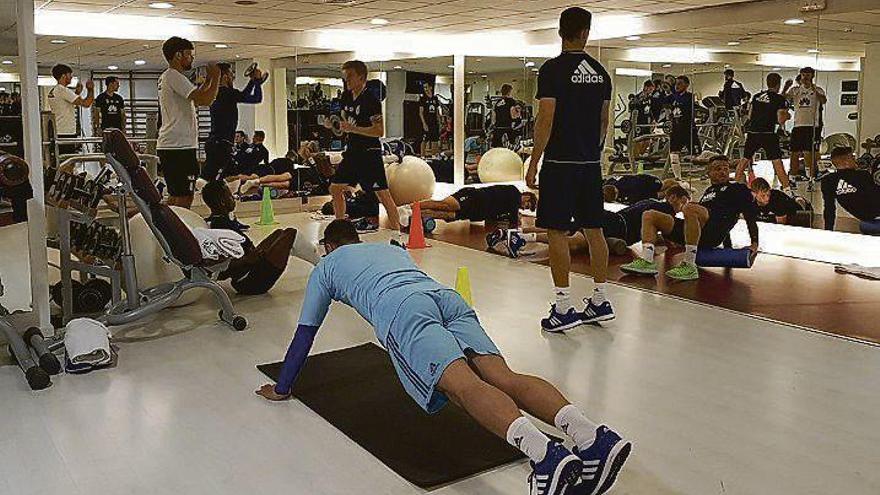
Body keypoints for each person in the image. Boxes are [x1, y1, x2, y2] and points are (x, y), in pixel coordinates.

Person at [255, 219, 632, 495]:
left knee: (464, 389)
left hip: (403, 310)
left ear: (329, 247)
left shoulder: (328, 268)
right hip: (444, 297)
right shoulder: (387, 247)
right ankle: (591, 438)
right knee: (504, 377)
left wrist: (284, 387)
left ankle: (545, 457)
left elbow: (305, 334)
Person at [526, 7, 615, 331]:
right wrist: (593, 150)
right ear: (585, 32)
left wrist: (534, 160)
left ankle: (563, 307)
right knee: (595, 231)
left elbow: (546, 118)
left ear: (561, 31)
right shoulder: (601, 73)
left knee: (556, 232)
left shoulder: (552, 70)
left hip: (561, 164)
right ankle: (599, 299)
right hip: (590, 164)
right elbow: (604, 121)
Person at [621, 156, 759, 281]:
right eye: (718, 169)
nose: (723, 172)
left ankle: (689, 265)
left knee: (689, 207)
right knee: (649, 214)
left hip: (712, 232)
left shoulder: (738, 189)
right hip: (697, 231)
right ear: (709, 173)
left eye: (726, 169)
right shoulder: (708, 192)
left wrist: (754, 242)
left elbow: (748, 215)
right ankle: (647, 260)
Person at [324, 60, 402, 245]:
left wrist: (352, 128)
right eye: (345, 76)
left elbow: (378, 131)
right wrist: (335, 126)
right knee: (335, 188)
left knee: (382, 194)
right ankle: (340, 231)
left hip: (369, 152)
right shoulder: (346, 97)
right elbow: (345, 124)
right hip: (352, 151)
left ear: (361, 76)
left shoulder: (371, 101)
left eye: (350, 76)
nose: (347, 80)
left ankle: (398, 235)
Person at [201, 180, 297, 295]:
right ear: (223, 202)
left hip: (248, 272)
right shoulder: (221, 226)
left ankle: (317, 262)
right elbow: (221, 267)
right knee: (290, 233)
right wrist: (247, 259)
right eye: (230, 196)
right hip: (250, 280)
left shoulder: (220, 220)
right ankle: (319, 263)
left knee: (279, 233)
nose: (234, 198)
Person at [157, 36, 220, 208]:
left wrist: (207, 81)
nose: (192, 58)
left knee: (177, 194)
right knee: (184, 196)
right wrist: (216, 78)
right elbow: (204, 100)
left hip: (174, 146)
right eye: (189, 54)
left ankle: (168, 230)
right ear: (178, 55)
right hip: (179, 147)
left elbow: (195, 96)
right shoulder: (174, 76)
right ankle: (178, 231)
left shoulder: (168, 77)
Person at [201, 63, 265, 181]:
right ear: (225, 77)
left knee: (215, 176)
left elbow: (243, 95)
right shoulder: (227, 93)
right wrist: (256, 81)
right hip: (221, 145)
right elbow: (256, 98)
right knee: (219, 178)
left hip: (215, 142)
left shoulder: (217, 93)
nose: (233, 77)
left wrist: (254, 81)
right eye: (231, 75)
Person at [735, 72, 794, 194]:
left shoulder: (757, 96)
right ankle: (787, 190)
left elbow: (750, 115)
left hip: (753, 132)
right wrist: (788, 115)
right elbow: (780, 119)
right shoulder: (779, 99)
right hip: (768, 133)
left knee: (745, 159)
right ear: (778, 84)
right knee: (777, 161)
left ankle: (734, 186)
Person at [416, 185, 537, 228]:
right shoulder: (514, 192)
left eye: (527, 208)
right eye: (527, 204)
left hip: (476, 211)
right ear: (526, 197)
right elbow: (514, 220)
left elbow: (493, 221)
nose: (524, 207)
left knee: (446, 215)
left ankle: (416, 215)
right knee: (444, 205)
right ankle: (412, 207)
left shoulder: (510, 208)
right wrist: (517, 220)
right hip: (473, 197)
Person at [820, 146, 880, 231]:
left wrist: (828, 230)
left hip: (867, 216)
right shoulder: (863, 175)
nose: (855, 160)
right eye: (852, 157)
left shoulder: (828, 181)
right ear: (846, 162)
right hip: (873, 216)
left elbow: (829, 209)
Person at [784, 67, 826, 183]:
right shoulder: (795, 90)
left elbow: (823, 101)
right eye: (803, 75)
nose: (805, 77)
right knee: (794, 152)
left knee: (809, 151)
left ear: (812, 76)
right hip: (798, 125)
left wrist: (812, 87)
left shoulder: (818, 89)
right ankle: (792, 177)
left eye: (808, 75)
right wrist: (786, 87)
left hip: (812, 125)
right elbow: (783, 98)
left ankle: (811, 177)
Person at [47, 64, 94, 155]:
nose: (71, 77)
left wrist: (77, 93)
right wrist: (90, 90)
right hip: (65, 132)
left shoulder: (54, 90)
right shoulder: (63, 90)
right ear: (64, 76)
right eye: (70, 74)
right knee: (68, 162)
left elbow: (68, 104)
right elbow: (86, 103)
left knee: (63, 161)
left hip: (59, 131)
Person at [662, 75, 700, 155]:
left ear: (686, 85)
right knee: (674, 153)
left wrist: (672, 90)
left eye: (680, 84)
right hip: (676, 129)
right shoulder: (672, 97)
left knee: (695, 153)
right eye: (676, 84)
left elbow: (682, 102)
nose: (677, 86)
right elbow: (663, 102)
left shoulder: (689, 96)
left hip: (687, 128)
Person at [491, 84, 522, 148]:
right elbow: (513, 115)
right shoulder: (512, 102)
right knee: (511, 148)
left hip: (498, 129)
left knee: (497, 149)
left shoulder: (497, 103)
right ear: (509, 91)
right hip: (508, 128)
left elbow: (493, 118)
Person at [418, 82, 441, 157]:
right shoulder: (422, 98)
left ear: (431, 87)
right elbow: (421, 112)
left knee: (435, 139)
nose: (426, 89)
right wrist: (424, 124)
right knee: (425, 139)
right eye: (424, 88)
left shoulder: (435, 98)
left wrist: (439, 121)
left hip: (434, 122)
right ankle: (422, 156)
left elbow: (437, 111)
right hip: (427, 122)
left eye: (427, 87)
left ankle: (434, 155)